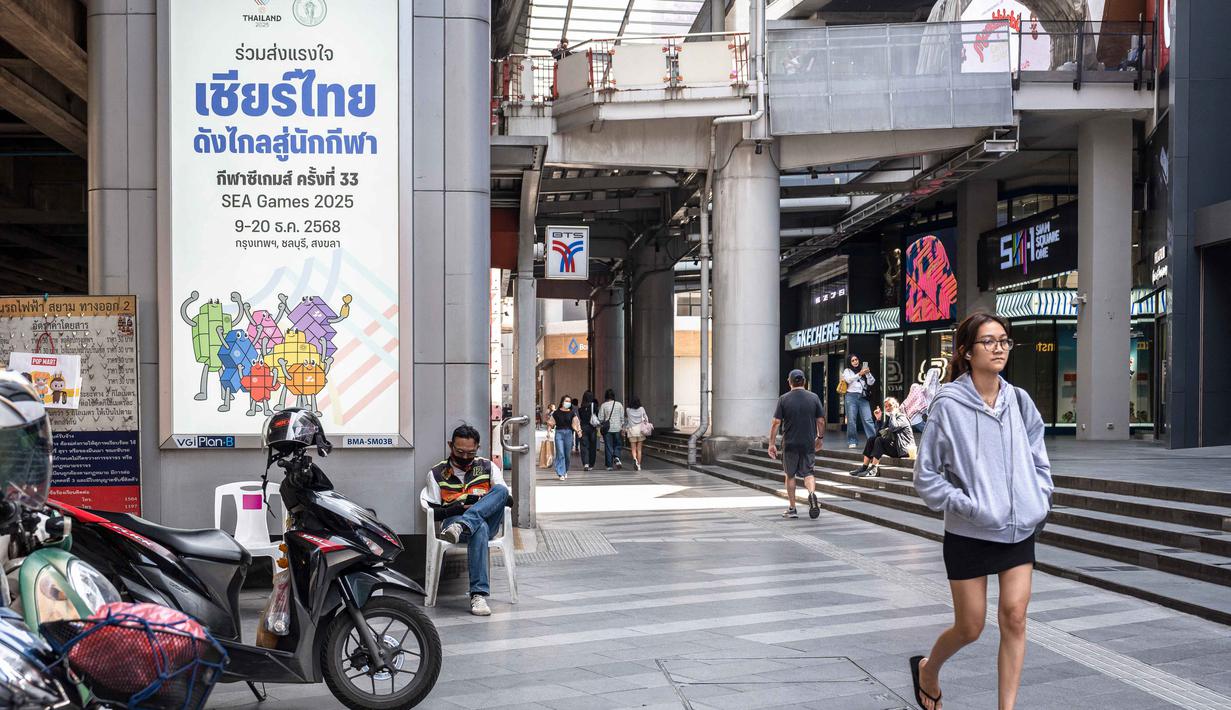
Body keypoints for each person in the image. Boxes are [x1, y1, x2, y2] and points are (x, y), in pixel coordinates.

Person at [909, 313, 1053, 710]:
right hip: (969, 532)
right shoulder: (949, 406)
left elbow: (1040, 459)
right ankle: (928, 669)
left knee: (1014, 618)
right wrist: (967, 507)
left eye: (1004, 341)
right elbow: (926, 477)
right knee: (970, 626)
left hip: (1018, 530)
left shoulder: (1020, 400)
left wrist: (1038, 497)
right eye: (989, 342)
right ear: (966, 352)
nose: (999, 348)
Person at [420, 424, 512, 617]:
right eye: (459, 451)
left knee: (501, 490)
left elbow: (507, 499)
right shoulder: (436, 473)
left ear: (477, 448)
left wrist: (479, 505)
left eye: (470, 453)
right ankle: (478, 594)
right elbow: (432, 512)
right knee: (479, 529)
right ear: (450, 446)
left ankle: (464, 524)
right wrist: (458, 509)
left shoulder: (487, 467)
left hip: (481, 520)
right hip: (451, 525)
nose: (464, 457)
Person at [767, 369, 825, 520]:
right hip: (808, 442)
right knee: (809, 472)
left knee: (790, 475)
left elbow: (776, 423)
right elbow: (820, 420)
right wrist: (820, 437)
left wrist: (772, 444)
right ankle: (811, 494)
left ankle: (792, 508)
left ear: (789, 382)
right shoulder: (814, 398)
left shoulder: (784, 399)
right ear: (804, 382)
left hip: (790, 443)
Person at [850, 397, 914, 477]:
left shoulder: (902, 417)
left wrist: (893, 414)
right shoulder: (890, 418)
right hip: (895, 446)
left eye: (890, 405)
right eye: (886, 406)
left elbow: (894, 427)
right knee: (872, 439)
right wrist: (878, 419)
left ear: (896, 406)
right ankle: (864, 467)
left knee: (879, 440)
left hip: (903, 450)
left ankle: (874, 469)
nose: (888, 408)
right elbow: (879, 434)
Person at [841, 354, 877, 448]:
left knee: (868, 419)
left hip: (863, 397)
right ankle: (852, 441)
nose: (855, 362)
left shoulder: (863, 369)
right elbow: (848, 380)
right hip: (851, 397)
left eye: (856, 359)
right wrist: (859, 374)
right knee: (851, 420)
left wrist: (868, 373)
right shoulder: (847, 371)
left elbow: (871, 382)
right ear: (849, 362)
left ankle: (873, 440)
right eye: (852, 360)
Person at [547, 395, 581, 480]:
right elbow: (551, 423)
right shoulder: (556, 412)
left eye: (569, 401)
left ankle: (565, 471)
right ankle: (560, 473)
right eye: (566, 401)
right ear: (562, 402)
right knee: (560, 453)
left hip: (569, 434)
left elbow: (576, 423)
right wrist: (548, 432)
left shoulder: (572, 413)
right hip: (559, 433)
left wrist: (578, 431)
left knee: (567, 455)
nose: (568, 403)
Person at [597, 389, 625, 470]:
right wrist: (622, 427)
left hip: (607, 429)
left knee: (608, 447)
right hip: (617, 428)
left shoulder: (604, 405)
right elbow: (622, 418)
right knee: (618, 444)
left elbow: (600, 418)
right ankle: (616, 456)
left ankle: (609, 466)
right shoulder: (619, 405)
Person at [623, 396, 650, 471]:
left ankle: (634, 459)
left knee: (633, 449)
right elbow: (646, 418)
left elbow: (628, 419)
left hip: (632, 430)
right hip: (640, 430)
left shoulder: (628, 410)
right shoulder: (641, 409)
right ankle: (639, 465)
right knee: (639, 449)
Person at [578, 390, 599, 471]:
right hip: (592, 428)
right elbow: (597, 415)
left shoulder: (581, 407)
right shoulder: (594, 406)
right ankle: (591, 464)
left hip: (583, 427)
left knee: (584, 446)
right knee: (592, 447)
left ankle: (585, 463)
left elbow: (581, 418)